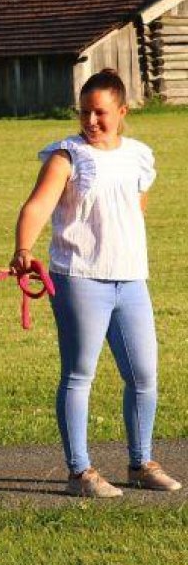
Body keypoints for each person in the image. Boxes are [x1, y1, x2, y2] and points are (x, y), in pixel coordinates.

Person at [10, 68, 181, 498]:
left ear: (122, 111)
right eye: (84, 112)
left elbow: (134, 209)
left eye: (100, 113)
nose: (90, 121)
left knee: (144, 375)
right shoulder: (66, 157)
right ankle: (79, 472)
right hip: (79, 278)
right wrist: (23, 249)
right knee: (79, 374)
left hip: (131, 281)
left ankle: (141, 463)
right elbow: (36, 207)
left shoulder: (138, 156)